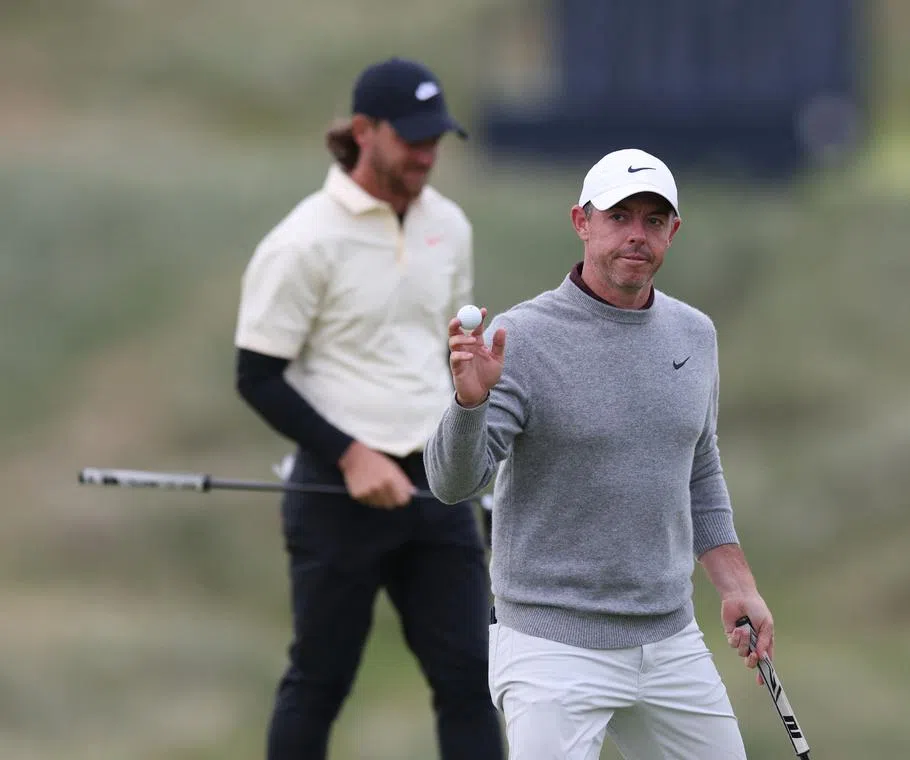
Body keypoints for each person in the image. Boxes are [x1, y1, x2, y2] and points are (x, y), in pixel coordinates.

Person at [424, 147, 776, 759]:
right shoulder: (521, 337)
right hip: (550, 643)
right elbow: (452, 483)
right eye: (619, 217)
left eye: (653, 220)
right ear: (581, 222)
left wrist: (737, 585)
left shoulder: (694, 334)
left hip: (668, 639)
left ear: (673, 232)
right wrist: (469, 404)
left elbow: (698, 469)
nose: (637, 235)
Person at [233, 57, 503, 760]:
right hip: (337, 491)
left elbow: (449, 356)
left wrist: (476, 464)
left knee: (472, 681)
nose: (426, 154)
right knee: (318, 683)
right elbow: (256, 376)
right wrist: (352, 456)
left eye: (435, 139)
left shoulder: (450, 225)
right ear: (363, 131)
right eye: (411, 138)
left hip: (437, 485)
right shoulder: (304, 240)